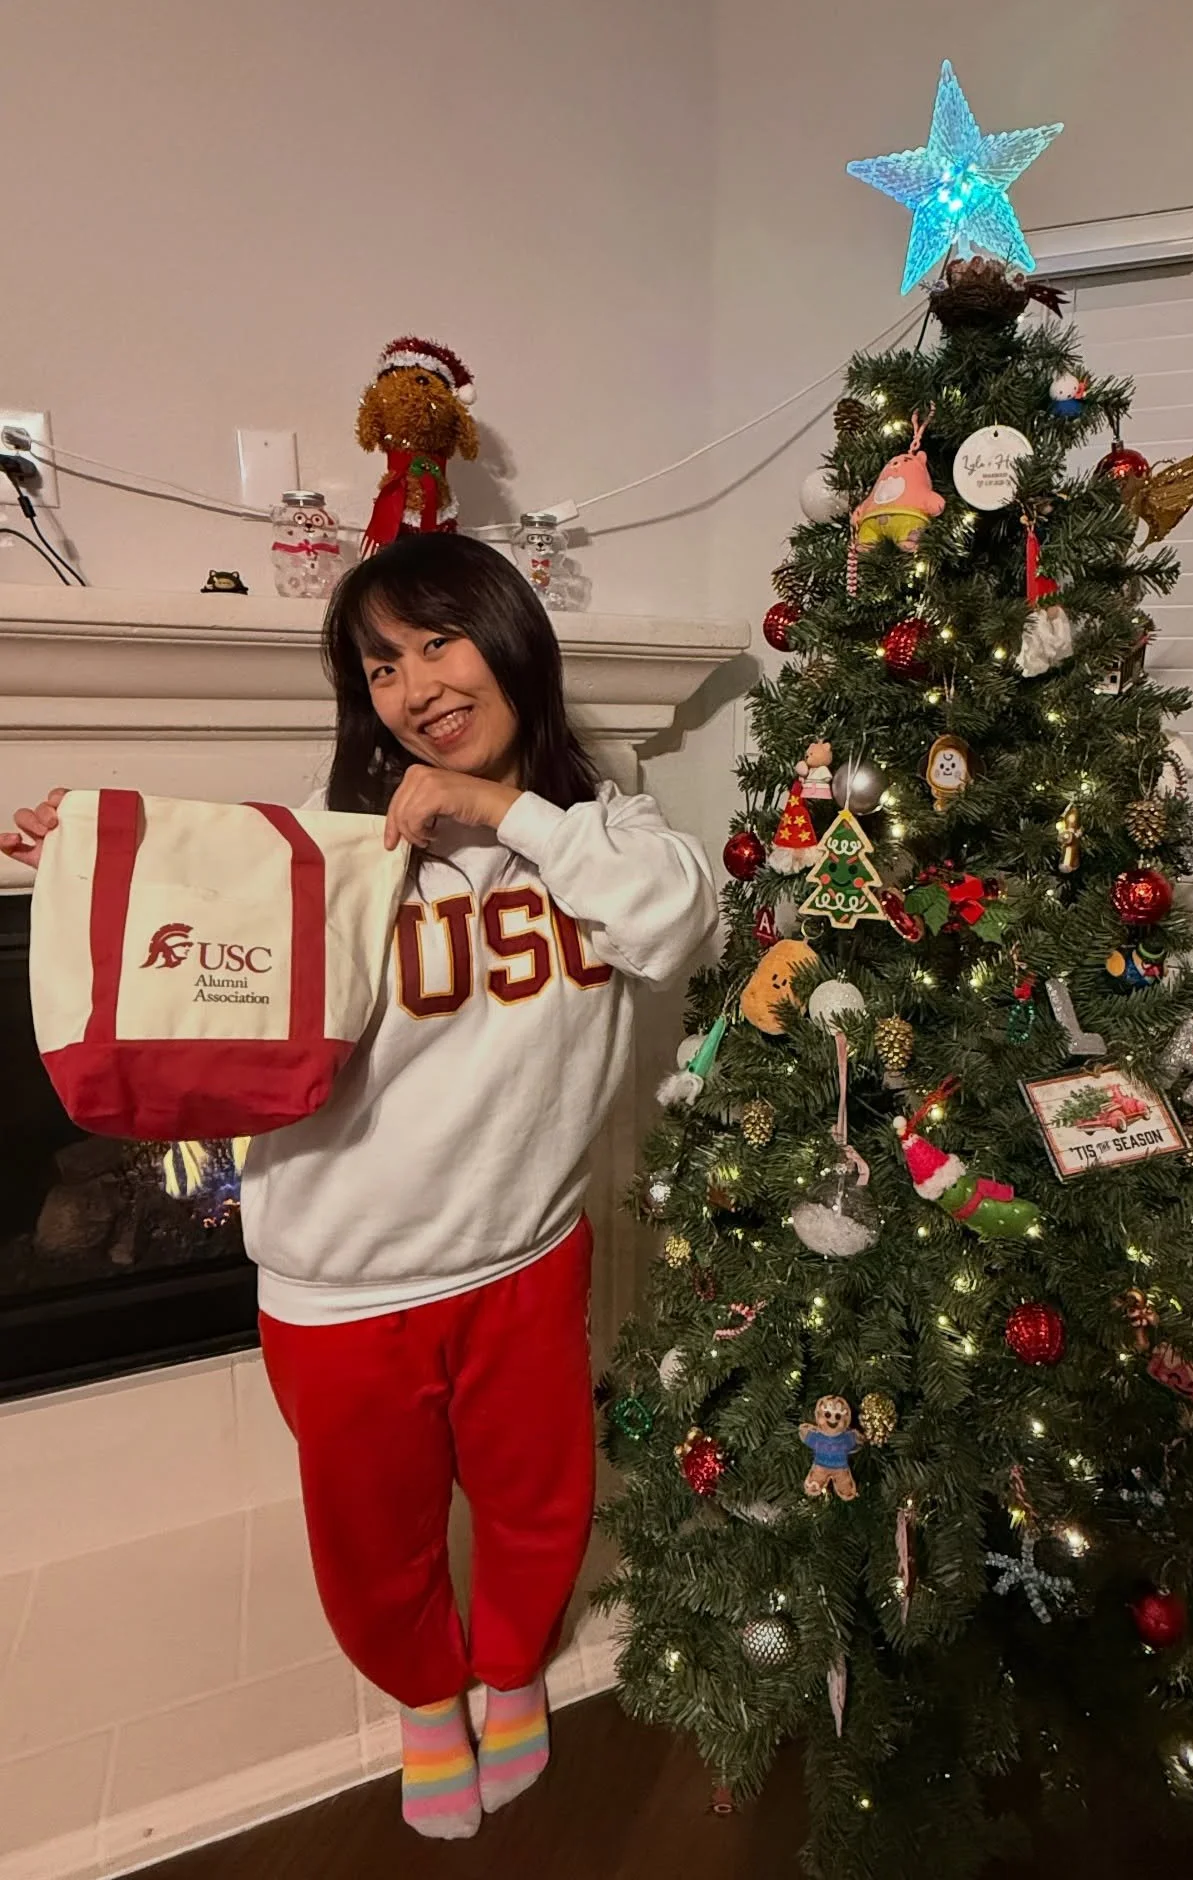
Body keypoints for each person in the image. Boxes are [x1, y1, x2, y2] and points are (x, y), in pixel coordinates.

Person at [2, 534, 718, 1841]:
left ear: (511, 637)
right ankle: (426, 1699)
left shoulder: (609, 837)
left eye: (439, 639)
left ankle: (509, 1673)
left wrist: (498, 811)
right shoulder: (333, 843)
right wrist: (92, 855)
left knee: (537, 1503)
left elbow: (673, 919)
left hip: (524, 1255)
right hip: (340, 1280)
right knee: (375, 1541)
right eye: (381, 663)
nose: (415, 684)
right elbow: (191, 943)